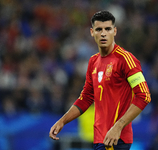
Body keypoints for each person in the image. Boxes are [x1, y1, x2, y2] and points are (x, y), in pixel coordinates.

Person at [49, 10, 151, 150]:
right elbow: (86, 97)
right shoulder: (93, 61)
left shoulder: (126, 59)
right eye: (99, 29)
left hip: (117, 139)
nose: (103, 33)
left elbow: (144, 96)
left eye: (108, 29)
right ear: (92, 32)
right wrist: (62, 121)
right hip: (99, 139)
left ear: (114, 31)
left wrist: (118, 126)